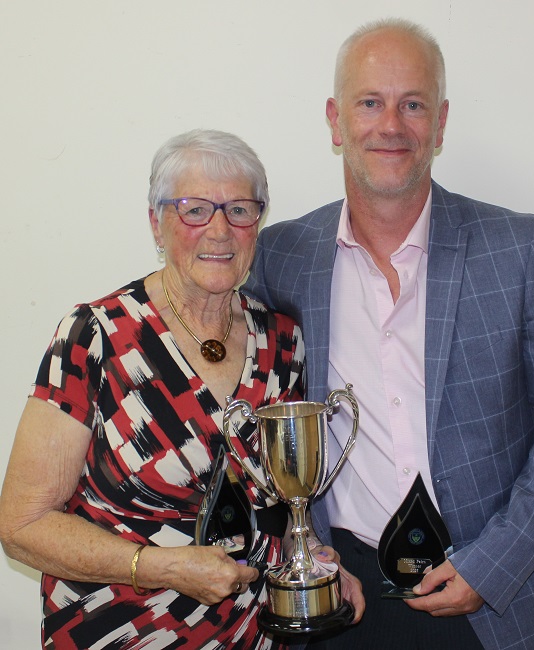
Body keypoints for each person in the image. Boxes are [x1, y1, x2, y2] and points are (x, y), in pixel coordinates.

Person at [243, 18, 534, 650]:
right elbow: (248, 398)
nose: (391, 125)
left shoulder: (519, 248)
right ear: (336, 121)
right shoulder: (283, 255)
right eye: (370, 103)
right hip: (346, 599)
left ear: (440, 124)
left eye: (413, 104)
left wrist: (494, 562)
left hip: (496, 599)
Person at [0, 129, 361, 650]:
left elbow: (280, 505)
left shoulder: (283, 342)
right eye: (195, 210)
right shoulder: (95, 337)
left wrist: (316, 562)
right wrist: (161, 567)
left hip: (256, 635)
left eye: (239, 210)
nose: (220, 230)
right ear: (157, 222)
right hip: (122, 631)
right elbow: (21, 524)